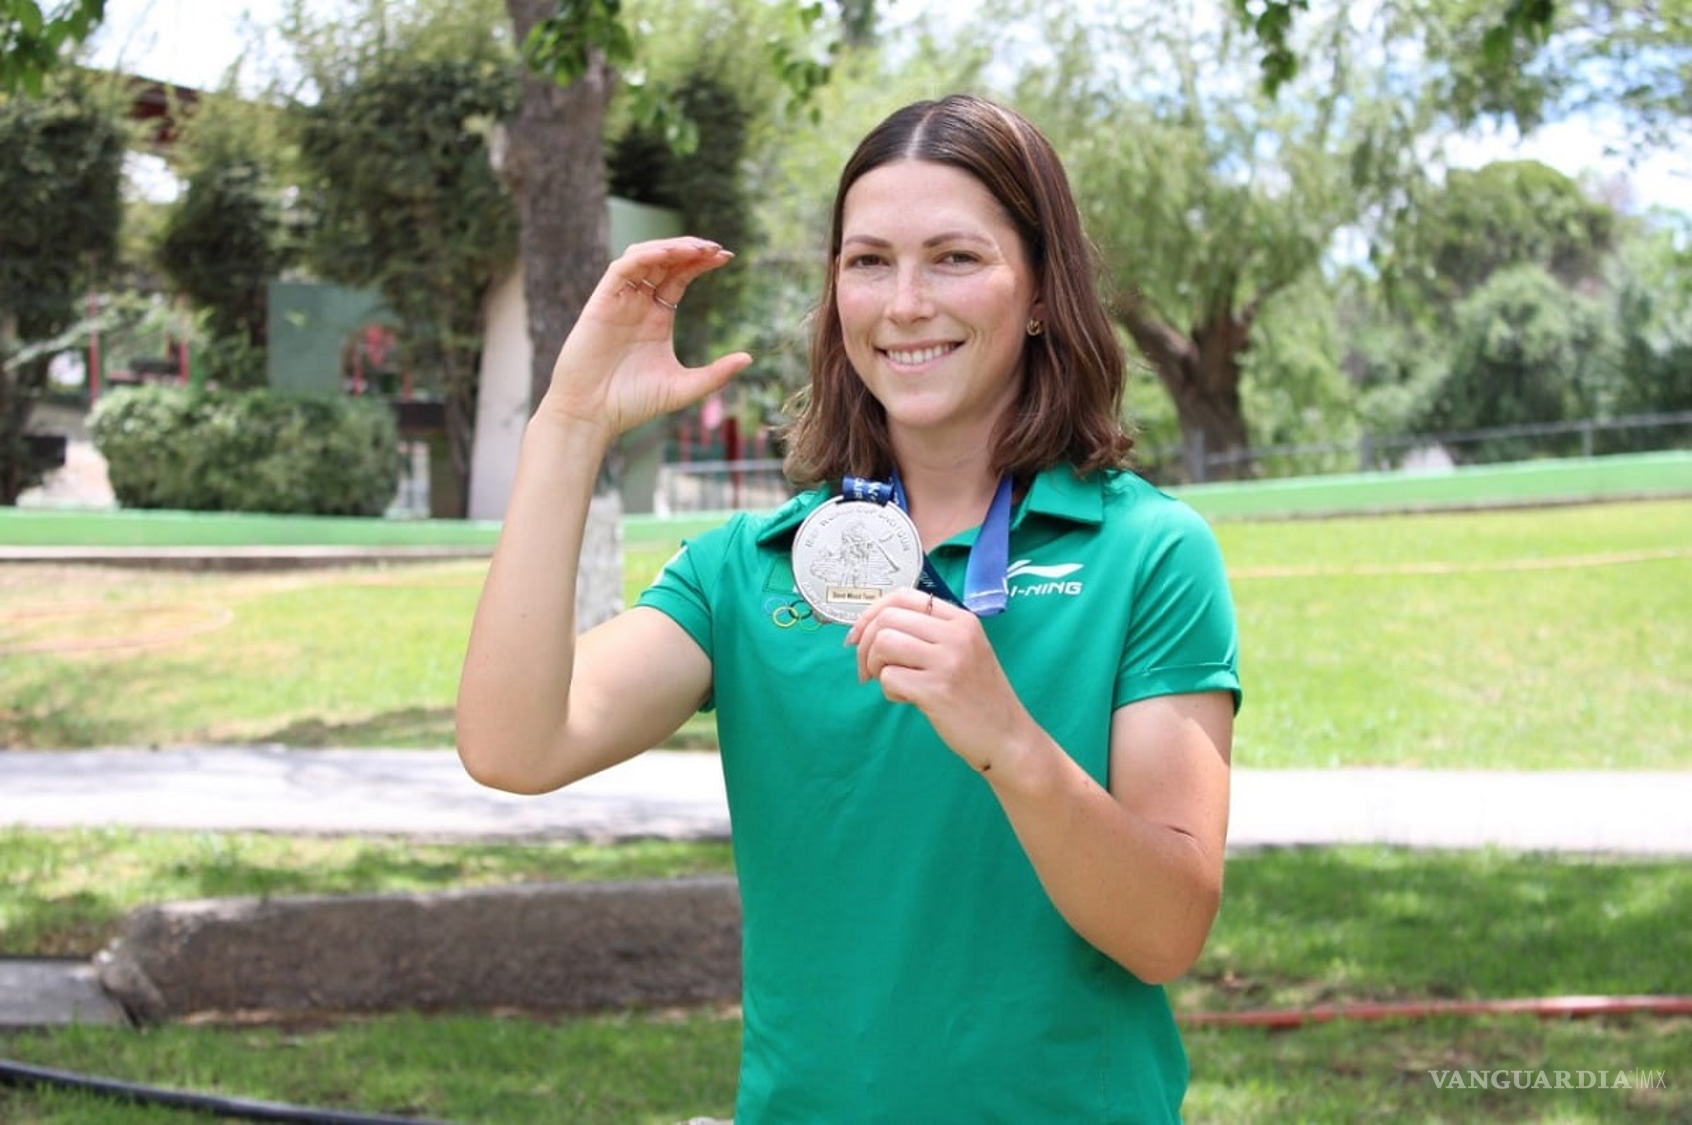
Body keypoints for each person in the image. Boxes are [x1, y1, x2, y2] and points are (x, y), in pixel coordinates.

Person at [456, 93, 1241, 1123]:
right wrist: (570, 425)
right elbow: (515, 747)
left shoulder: (1148, 553)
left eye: (954, 258)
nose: (905, 302)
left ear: (1043, 290)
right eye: (868, 262)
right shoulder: (749, 568)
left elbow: (1165, 933)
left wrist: (1009, 741)